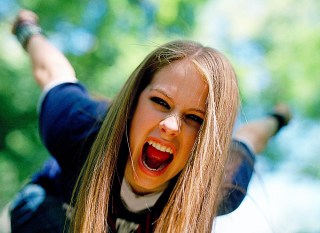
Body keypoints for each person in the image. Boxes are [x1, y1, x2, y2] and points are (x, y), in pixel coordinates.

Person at [8, 10, 291, 233]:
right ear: (132, 103)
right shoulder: (76, 125)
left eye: (194, 118)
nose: (170, 125)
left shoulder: (219, 188)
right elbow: (53, 72)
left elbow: (251, 137)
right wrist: (26, 29)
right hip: (50, 207)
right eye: (160, 102)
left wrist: (278, 118)